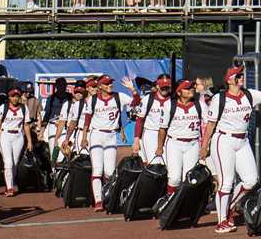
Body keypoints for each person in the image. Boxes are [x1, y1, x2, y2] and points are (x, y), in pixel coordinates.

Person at [200, 66, 261, 233]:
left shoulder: (249, 94)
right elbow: (210, 125)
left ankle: (229, 206)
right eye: (238, 75)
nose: (242, 77)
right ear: (230, 80)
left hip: (242, 140)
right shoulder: (219, 98)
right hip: (224, 140)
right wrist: (204, 146)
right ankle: (222, 221)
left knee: (251, 180)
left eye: (242, 74)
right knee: (226, 182)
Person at [78, 75, 131, 212]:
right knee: (97, 169)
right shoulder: (93, 100)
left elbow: (136, 103)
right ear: (100, 86)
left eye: (111, 83)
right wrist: (84, 137)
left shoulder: (119, 97)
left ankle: (108, 196)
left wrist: (133, 90)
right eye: (106, 84)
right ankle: (98, 200)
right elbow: (87, 121)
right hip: (96, 135)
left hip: (111, 135)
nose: (110, 86)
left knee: (109, 171)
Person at [155, 80, 205, 200]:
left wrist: (205, 146)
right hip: (174, 143)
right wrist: (159, 147)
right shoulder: (169, 105)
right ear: (179, 92)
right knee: (174, 177)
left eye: (192, 87)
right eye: (187, 88)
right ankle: (170, 201)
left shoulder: (200, 105)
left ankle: (184, 204)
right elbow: (162, 129)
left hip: (193, 143)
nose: (191, 90)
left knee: (189, 177)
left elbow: (208, 125)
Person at [0, 88, 34, 197]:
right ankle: (10, 188)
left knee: (15, 162)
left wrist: (30, 141)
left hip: (18, 136)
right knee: (8, 162)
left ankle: (10, 184)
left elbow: (26, 125)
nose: (15, 98)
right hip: (5, 135)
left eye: (17, 96)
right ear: (9, 97)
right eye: (13, 96)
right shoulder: (3, 107)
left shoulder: (23, 108)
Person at [130, 74, 173, 164]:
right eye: (162, 87)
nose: (165, 89)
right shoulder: (148, 99)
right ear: (157, 85)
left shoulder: (174, 100)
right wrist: (136, 140)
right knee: (154, 165)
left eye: (167, 86)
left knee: (169, 165)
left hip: (168, 134)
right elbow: (140, 120)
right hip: (151, 133)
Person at [39, 76, 70, 160]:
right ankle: (54, 171)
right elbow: (47, 115)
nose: (61, 87)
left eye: (63, 85)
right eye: (59, 85)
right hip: (53, 126)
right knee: (53, 151)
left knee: (65, 151)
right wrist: (42, 131)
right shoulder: (51, 98)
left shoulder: (70, 97)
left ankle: (64, 172)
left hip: (65, 126)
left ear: (66, 86)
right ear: (56, 86)